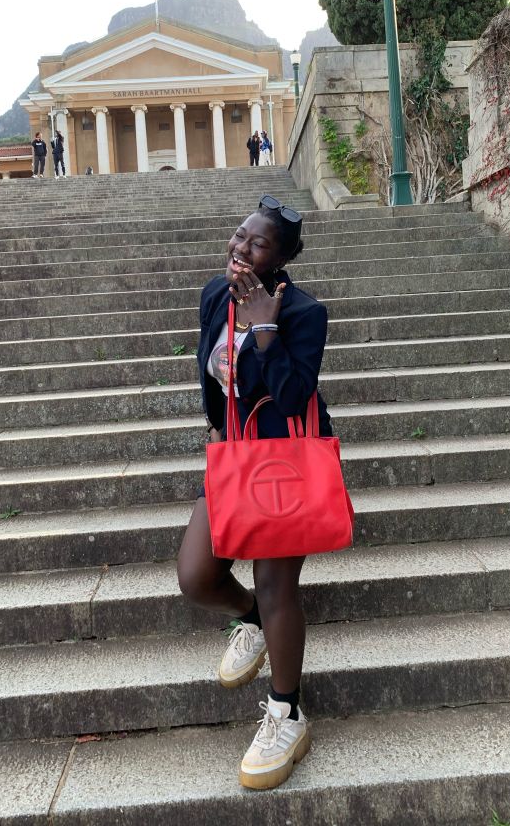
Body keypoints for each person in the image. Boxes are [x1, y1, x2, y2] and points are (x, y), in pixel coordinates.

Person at [177, 194, 331, 791]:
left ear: (282, 257)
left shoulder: (304, 313)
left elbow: (293, 398)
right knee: (196, 575)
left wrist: (266, 326)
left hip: (285, 465)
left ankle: (287, 713)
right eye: (239, 236)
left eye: (257, 243)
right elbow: (211, 371)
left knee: (275, 583)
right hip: (233, 456)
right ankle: (252, 622)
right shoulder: (216, 296)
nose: (241, 248)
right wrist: (215, 431)